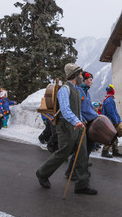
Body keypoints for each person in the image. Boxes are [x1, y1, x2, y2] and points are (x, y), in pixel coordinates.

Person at [35, 63, 97, 195]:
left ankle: (82, 185)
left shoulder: (76, 89)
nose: (82, 76)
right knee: (63, 153)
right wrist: (76, 121)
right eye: (80, 74)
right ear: (75, 75)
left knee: (82, 154)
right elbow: (65, 109)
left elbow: (77, 109)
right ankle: (42, 173)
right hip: (66, 127)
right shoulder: (65, 89)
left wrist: (81, 120)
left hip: (78, 126)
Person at [64, 70, 98, 179]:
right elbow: (77, 108)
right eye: (90, 80)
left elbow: (88, 108)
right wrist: (81, 119)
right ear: (84, 80)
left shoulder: (86, 91)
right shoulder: (78, 90)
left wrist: (96, 116)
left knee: (88, 147)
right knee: (81, 149)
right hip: (82, 124)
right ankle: (71, 171)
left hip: (89, 122)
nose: (92, 82)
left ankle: (80, 166)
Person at [100, 84, 122, 158]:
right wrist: (116, 121)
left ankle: (115, 151)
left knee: (114, 136)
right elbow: (111, 112)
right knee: (110, 136)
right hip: (111, 121)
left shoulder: (108, 99)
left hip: (110, 120)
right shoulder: (110, 100)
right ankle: (105, 151)